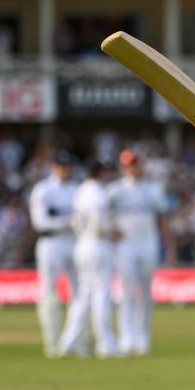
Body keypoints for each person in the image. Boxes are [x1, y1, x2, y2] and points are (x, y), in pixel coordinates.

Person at [108, 149, 169, 356]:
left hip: (147, 243)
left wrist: (169, 246)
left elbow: (162, 219)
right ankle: (127, 338)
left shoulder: (153, 190)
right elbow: (102, 215)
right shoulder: (114, 191)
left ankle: (143, 338)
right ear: (123, 167)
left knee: (145, 293)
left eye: (135, 164)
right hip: (125, 246)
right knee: (126, 292)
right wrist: (110, 231)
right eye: (129, 165)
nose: (133, 168)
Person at [57, 161, 120, 358]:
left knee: (84, 295)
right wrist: (113, 232)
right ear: (101, 173)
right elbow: (99, 223)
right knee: (101, 295)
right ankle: (106, 344)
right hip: (97, 244)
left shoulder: (80, 191)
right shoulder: (97, 193)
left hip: (81, 244)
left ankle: (68, 343)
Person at [28, 150, 78, 358]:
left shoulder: (77, 189)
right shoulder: (43, 190)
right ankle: (52, 341)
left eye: (67, 166)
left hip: (74, 242)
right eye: (60, 166)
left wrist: (66, 221)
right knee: (49, 293)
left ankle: (74, 341)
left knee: (80, 292)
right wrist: (68, 221)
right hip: (50, 242)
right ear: (53, 167)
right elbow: (40, 222)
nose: (64, 170)